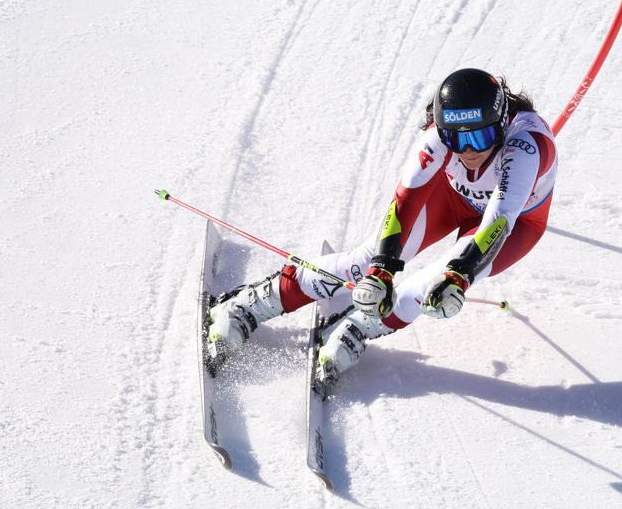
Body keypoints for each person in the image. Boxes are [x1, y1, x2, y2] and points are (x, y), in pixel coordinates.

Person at [206, 67, 558, 387]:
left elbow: (499, 218)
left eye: (479, 139)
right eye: (454, 140)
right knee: (363, 263)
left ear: (499, 123)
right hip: (452, 200)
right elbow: (404, 201)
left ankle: (358, 327)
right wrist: (381, 268)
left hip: (513, 225)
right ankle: (248, 305)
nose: (467, 151)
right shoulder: (438, 138)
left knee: (427, 290)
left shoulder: (525, 148)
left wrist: (460, 275)